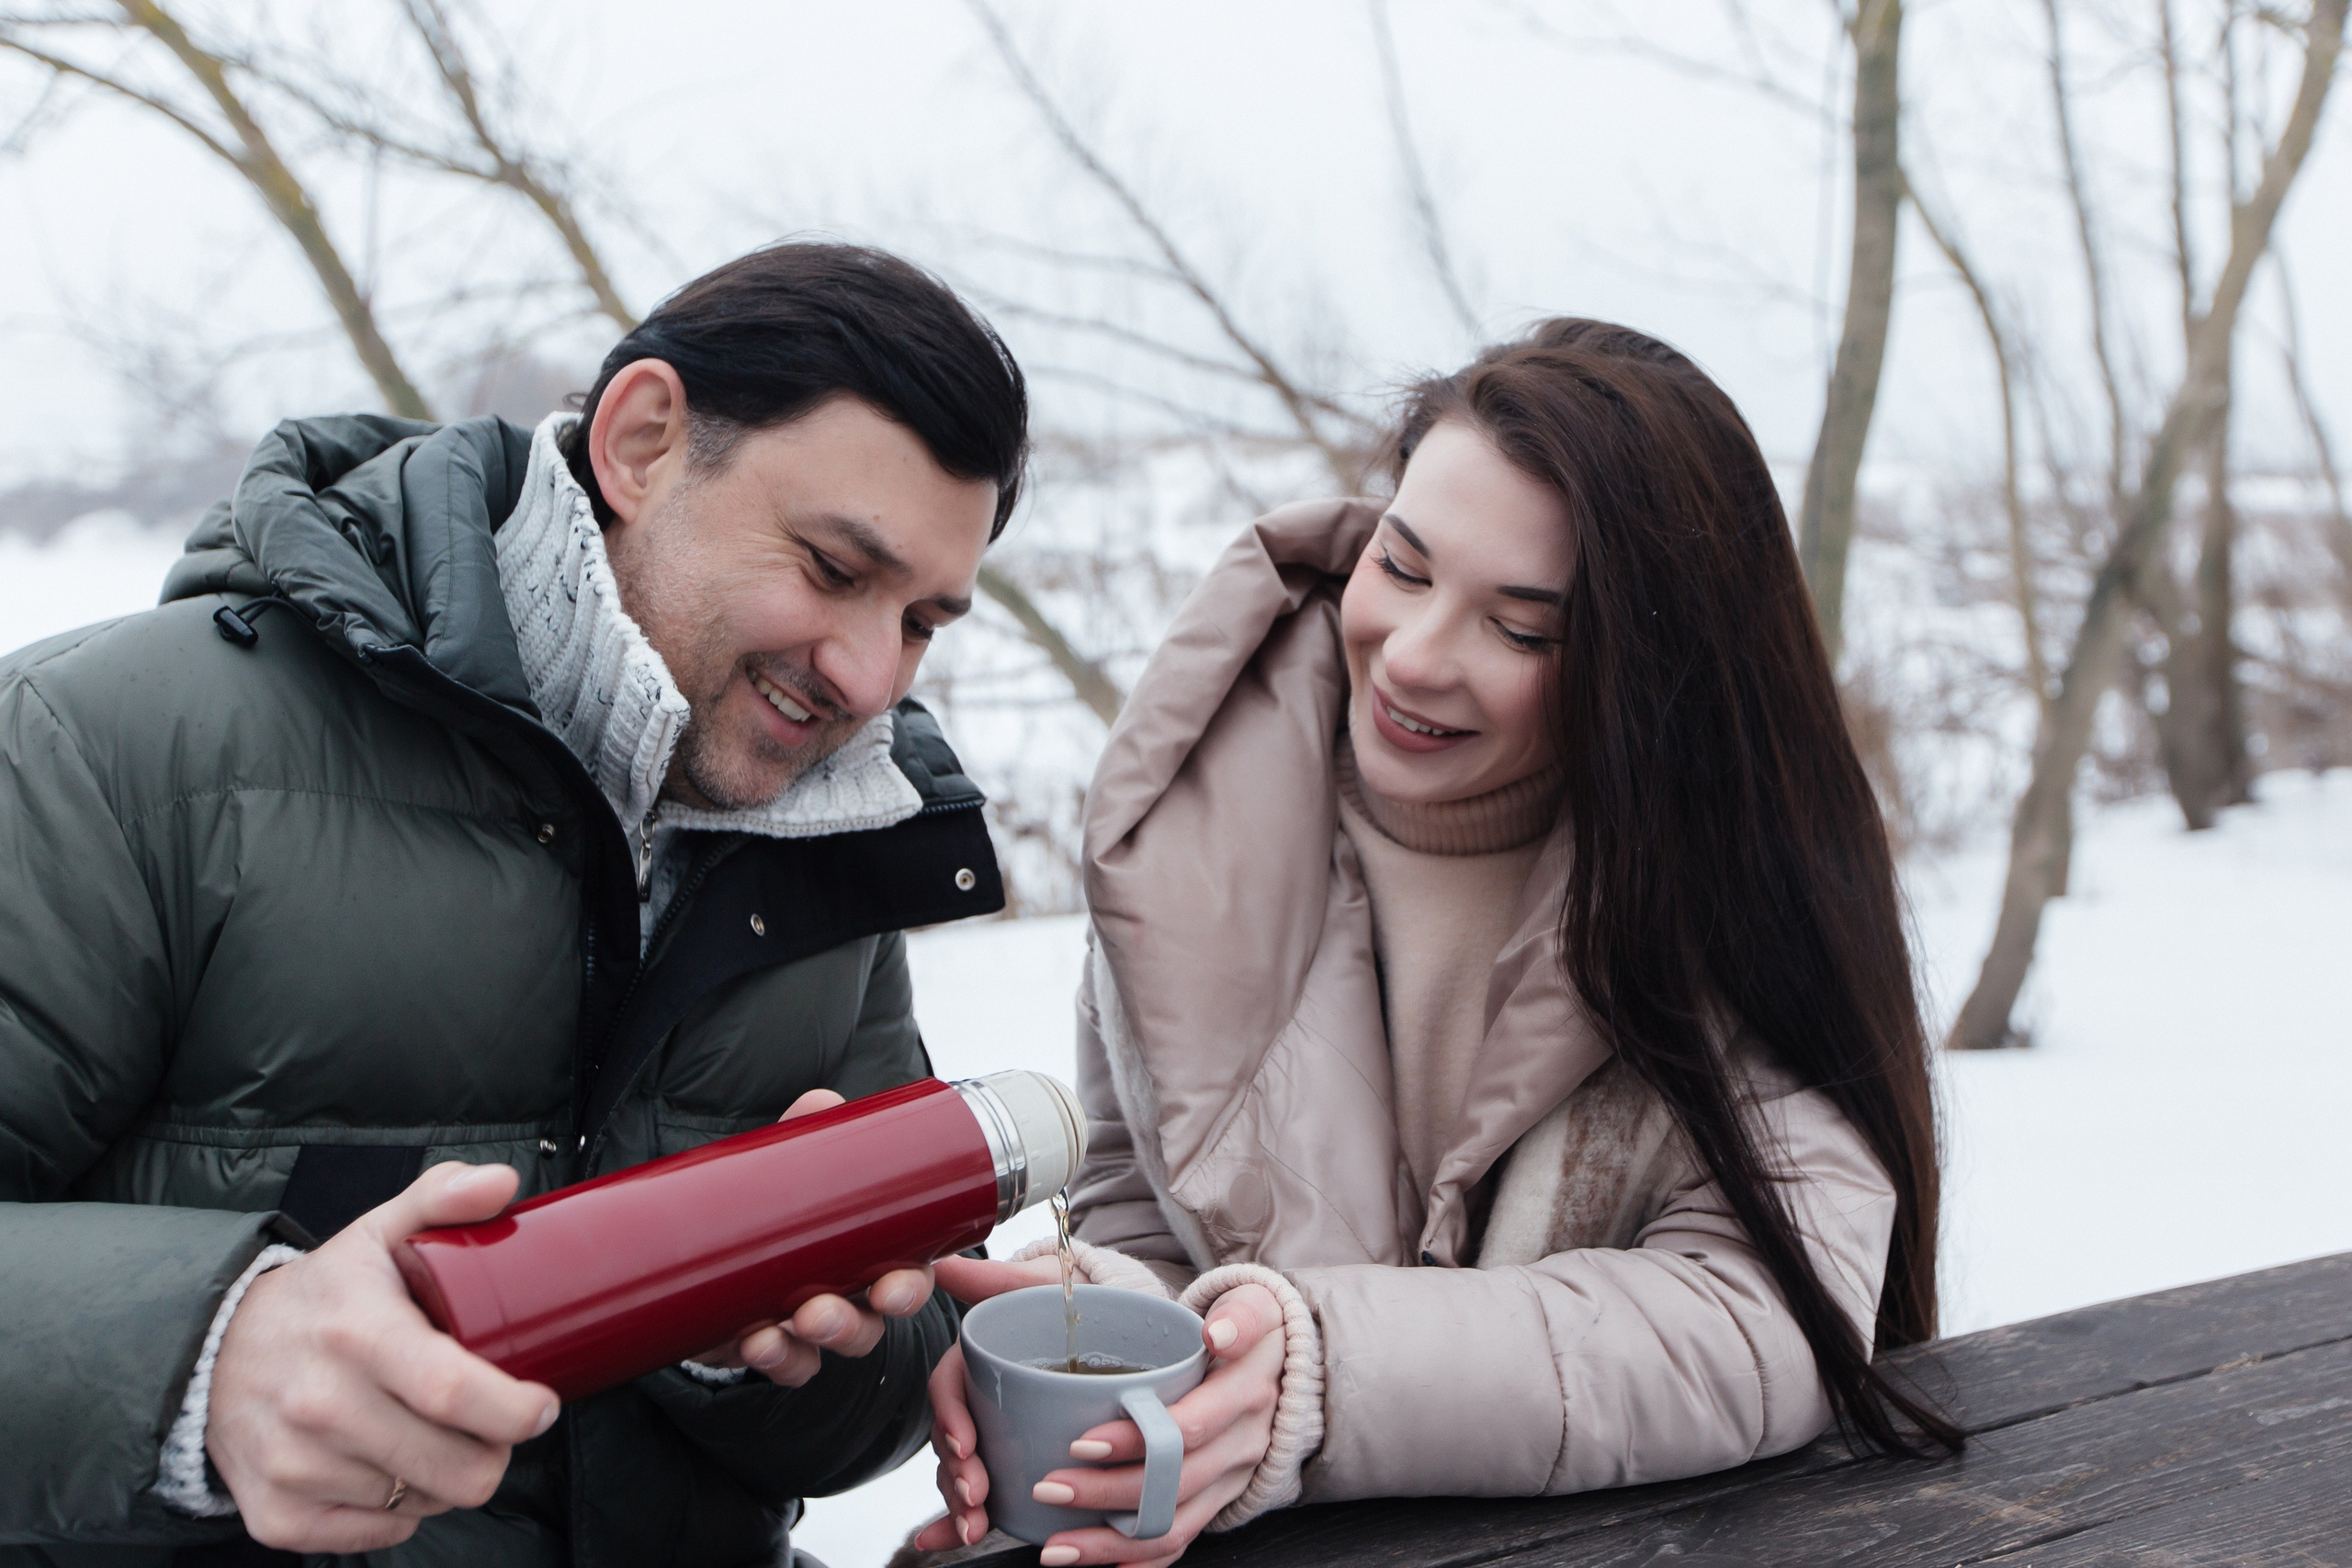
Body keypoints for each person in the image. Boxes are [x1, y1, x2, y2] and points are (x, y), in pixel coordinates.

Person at [0, 242, 1027, 1565]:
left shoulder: (832, 834)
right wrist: (208, 1361)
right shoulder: (119, 751)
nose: (871, 676)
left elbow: (889, 1382)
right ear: (643, 441)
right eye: (834, 570)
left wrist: (748, 1346)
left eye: (924, 621)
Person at [918, 320, 1962, 1567]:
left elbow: (1769, 1315)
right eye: (1403, 569)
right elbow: (1149, 1213)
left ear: (1652, 668)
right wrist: (1112, 1326)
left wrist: (1327, 1376)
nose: (1413, 659)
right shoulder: (1186, 841)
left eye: (1521, 630)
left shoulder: (1732, 892)